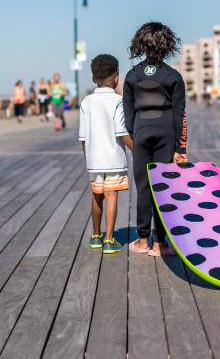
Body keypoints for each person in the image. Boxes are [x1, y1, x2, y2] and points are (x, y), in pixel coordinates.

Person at [123, 21, 188, 258]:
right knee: (163, 188)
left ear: (140, 44)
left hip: (141, 133)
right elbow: (180, 115)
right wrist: (180, 147)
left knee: (143, 188)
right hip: (165, 135)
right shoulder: (173, 76)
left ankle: (142, 240)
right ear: (166, 45)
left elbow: (127, 115)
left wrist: (136, 135)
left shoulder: (132, 75)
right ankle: (161, 243)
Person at [79, 54, 133, 254]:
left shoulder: (86, 102)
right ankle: (109, 239)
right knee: (111, 195)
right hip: (113, 159)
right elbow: (122, 132)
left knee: (97, 195)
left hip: (94, 159)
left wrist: (87, 159)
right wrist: (137, 150)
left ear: (93, 78)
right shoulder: (118, 101)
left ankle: (95, 236)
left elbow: (83, 136)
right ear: (116, 77)